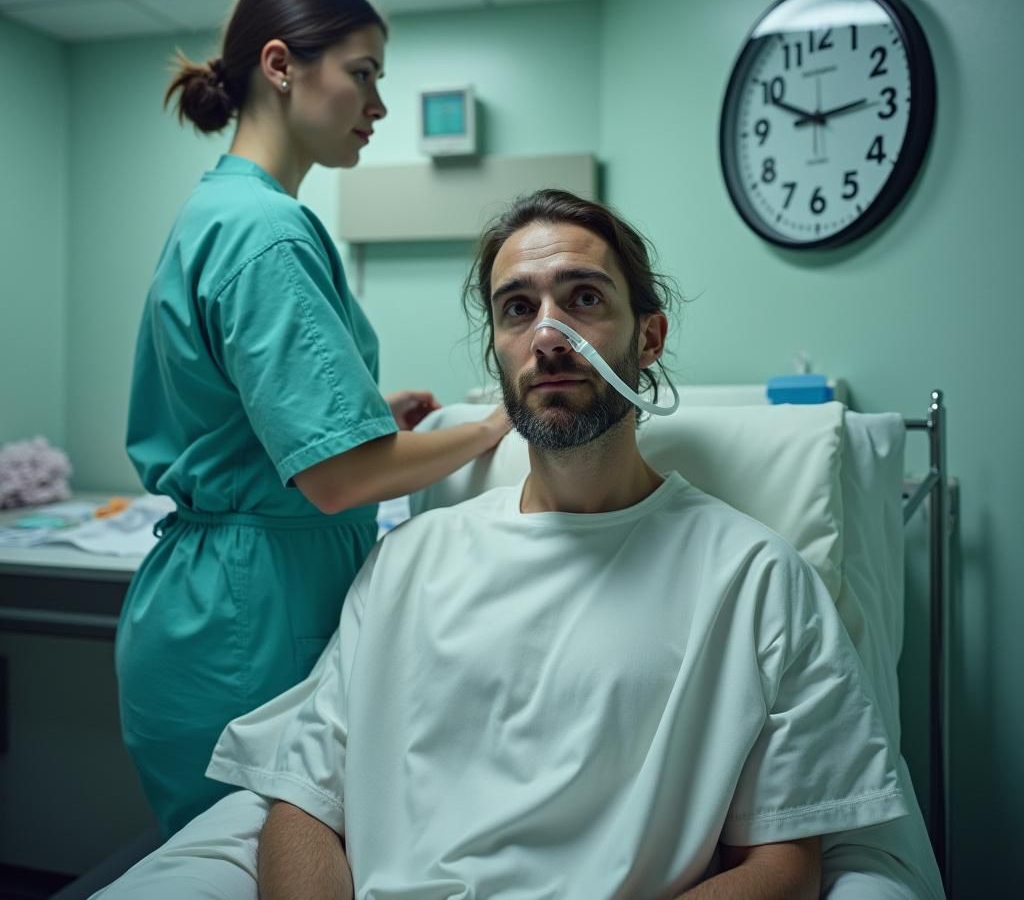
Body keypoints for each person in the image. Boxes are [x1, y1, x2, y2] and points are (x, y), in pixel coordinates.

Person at [99, 190, 937, 899]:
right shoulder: (411, 563)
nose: (549, 334)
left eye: (583, 299)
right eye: (517, 308)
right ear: (498, 350)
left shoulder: (753, 577)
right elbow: (301, 807)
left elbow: (787, 863)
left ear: (647, 339)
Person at [118, 0, 509, 837]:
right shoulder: (265, 231)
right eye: (363, 73)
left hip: (219, 600)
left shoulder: (227, 209)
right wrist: (493, 425)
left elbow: (260, 422)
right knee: (252, 866)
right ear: (282, 65)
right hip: (249, 619)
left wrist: (373, 419)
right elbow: (337, 477)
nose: (376, 105)